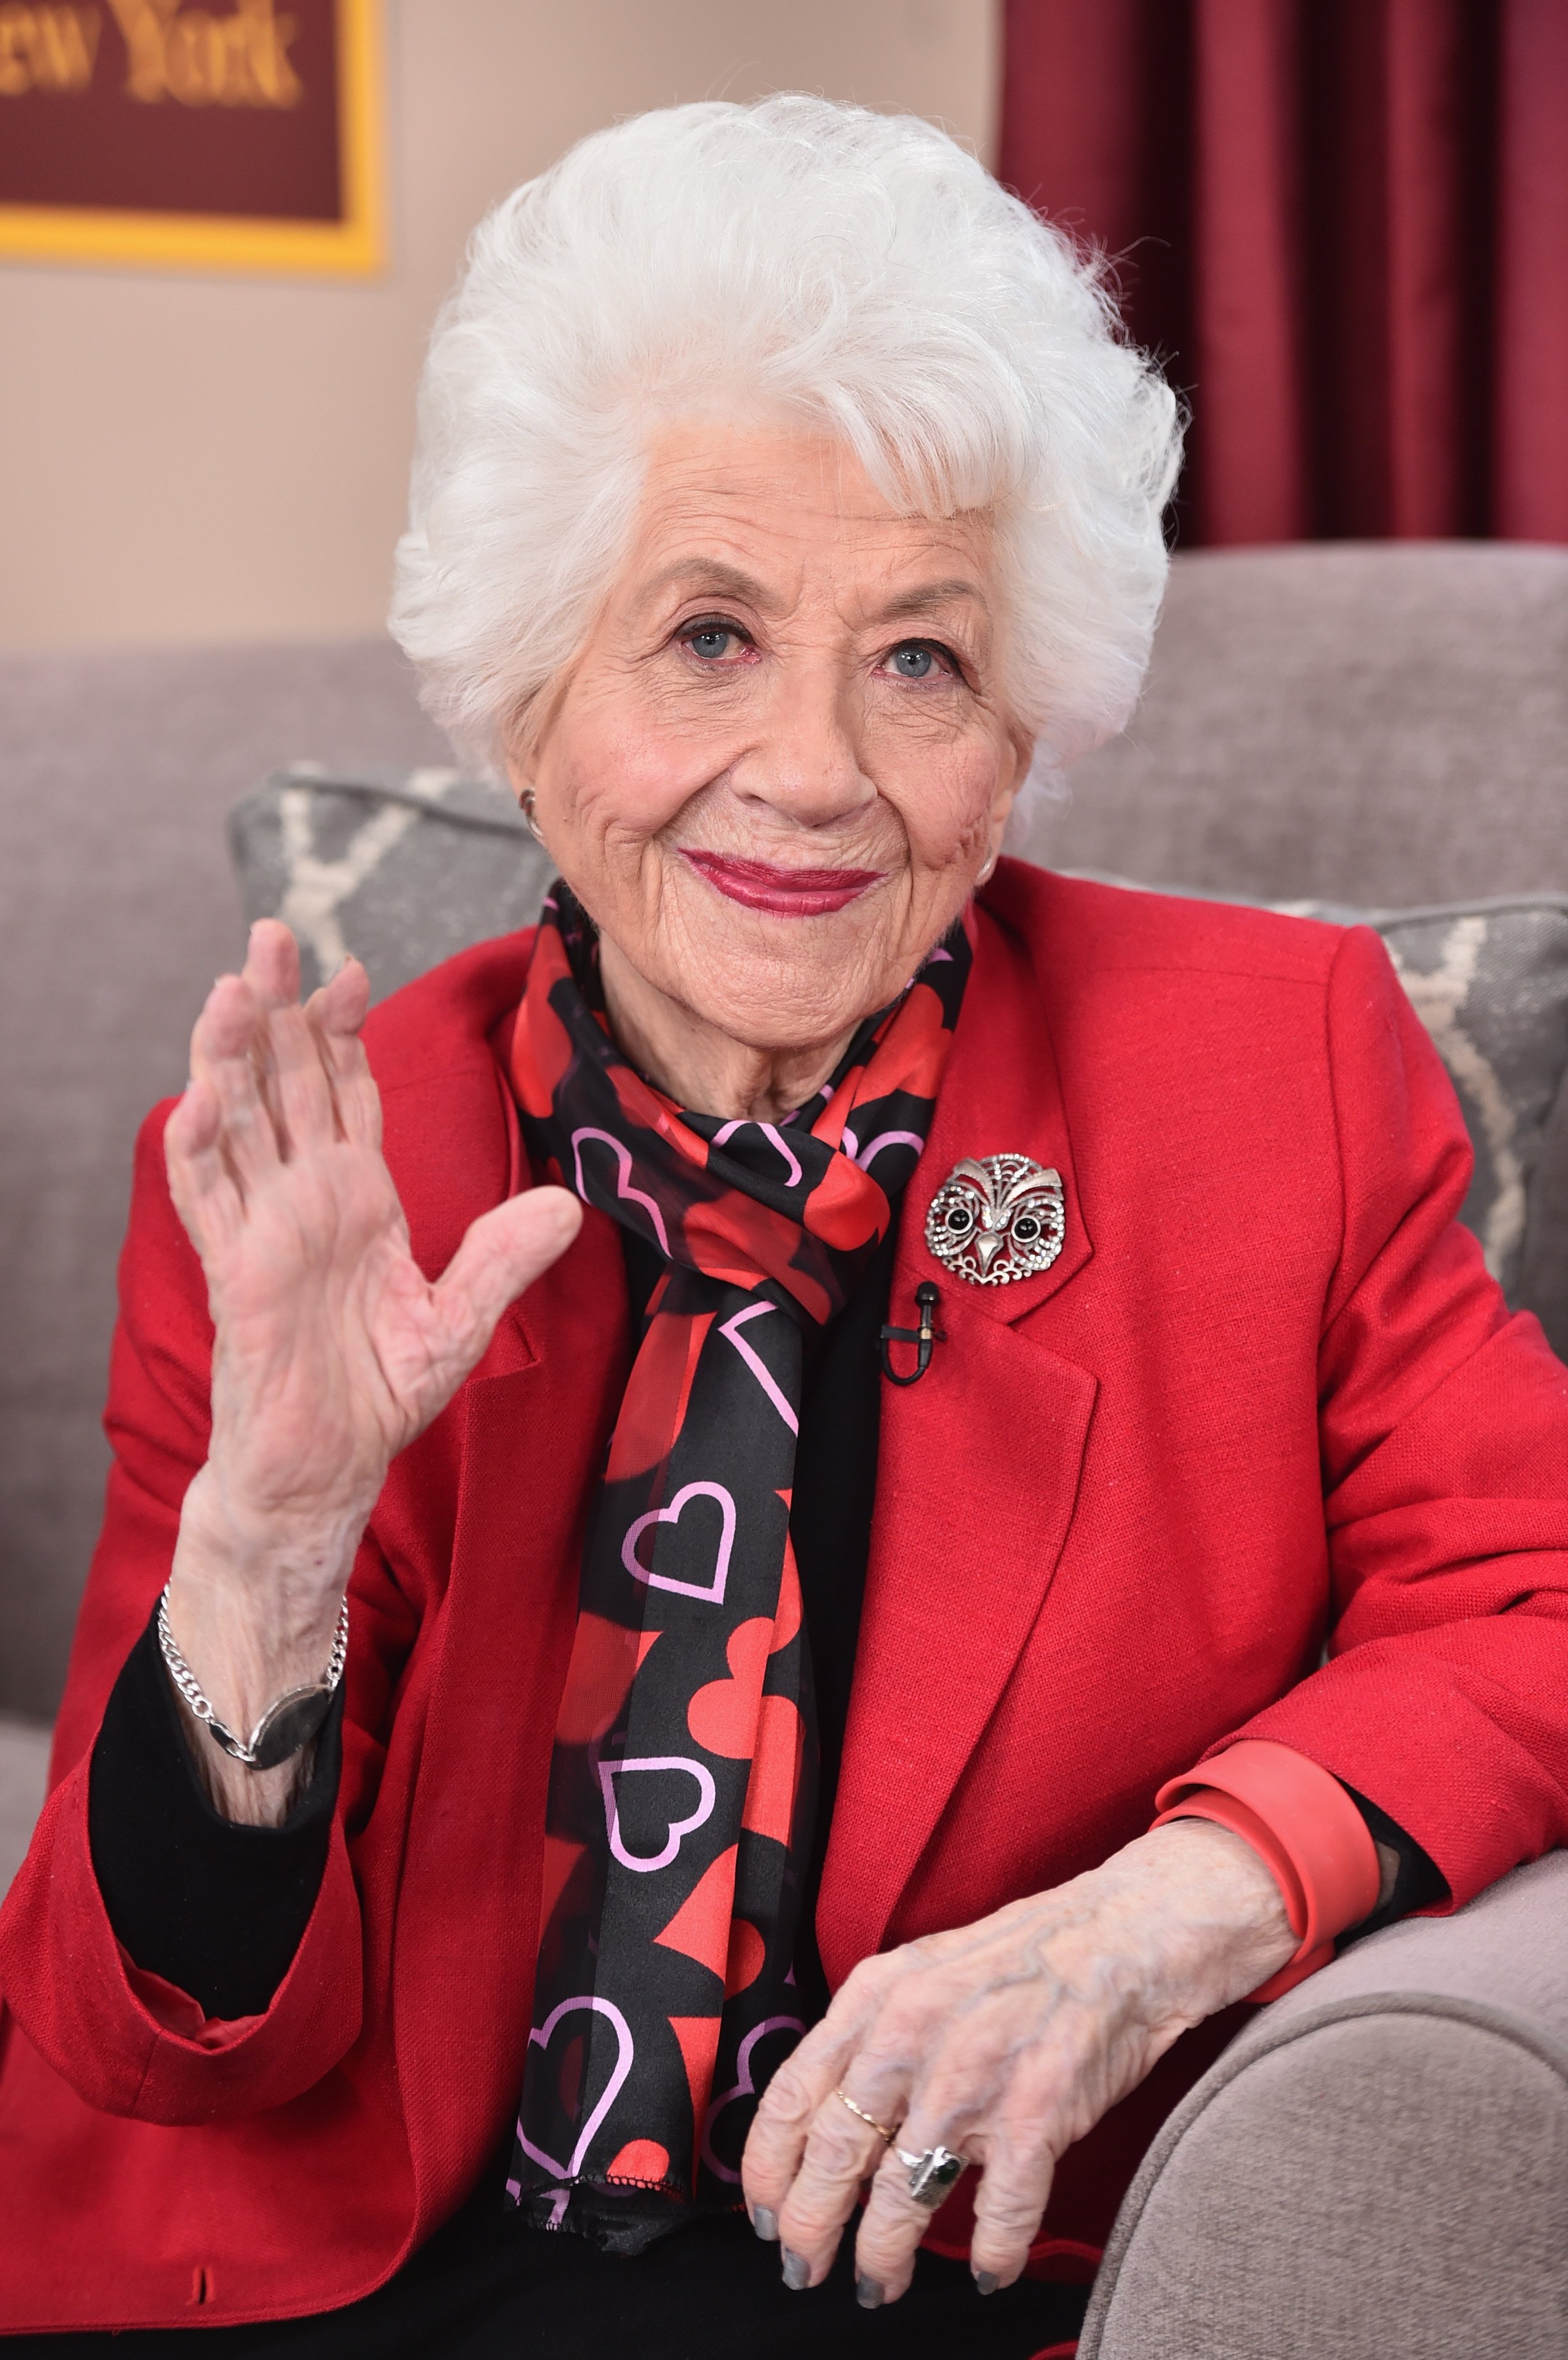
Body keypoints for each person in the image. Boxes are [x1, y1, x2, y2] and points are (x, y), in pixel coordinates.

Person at [2, 96, 1565, 2359]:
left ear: (1022, 726)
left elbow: (1537, 1591)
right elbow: (152, 2041)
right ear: (529, 703)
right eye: (709, 635)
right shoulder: (336, 1178)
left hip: (920, 2276)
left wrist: (1173, 1908)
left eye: (920, 659)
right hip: (366, 2280)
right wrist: (271, 1550)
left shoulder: (1272, 1076)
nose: (820, 769)